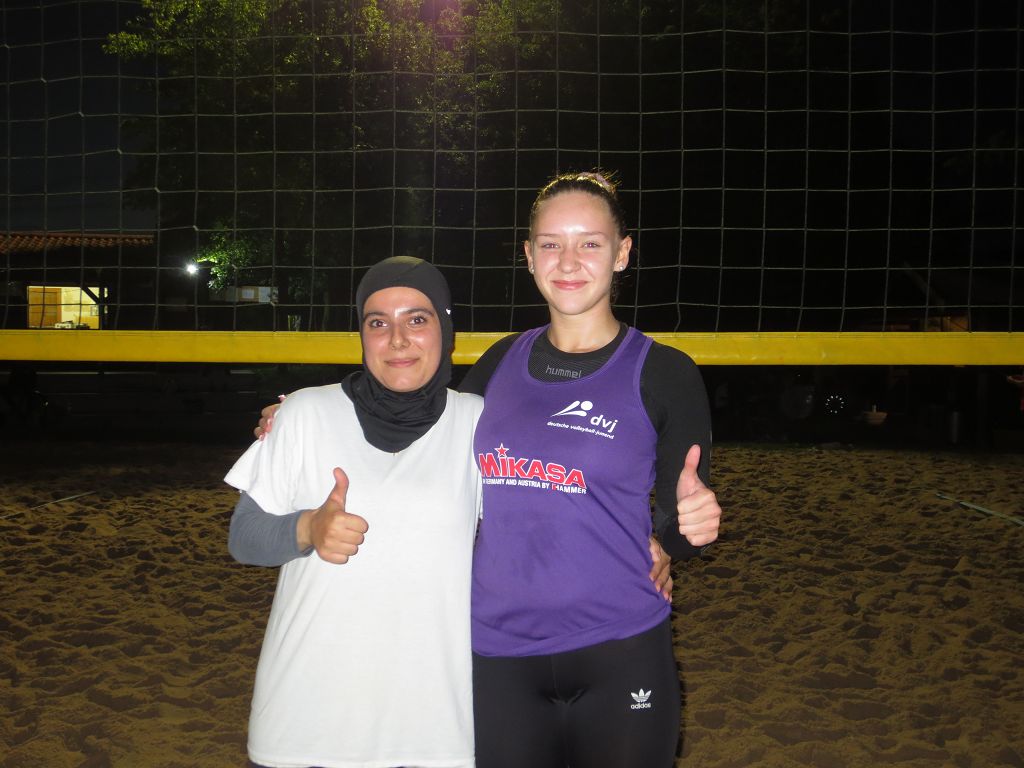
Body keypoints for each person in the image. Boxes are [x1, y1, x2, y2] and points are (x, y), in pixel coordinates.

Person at [253, 171, 722, 767]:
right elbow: (421, 424)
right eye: (550, 244)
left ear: (622, 253)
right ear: (528, 256)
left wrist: (683, 534)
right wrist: (303, 410)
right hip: (497, 654)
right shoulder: (500, 363)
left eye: (590, 243)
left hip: (620, 647)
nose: (568, 261)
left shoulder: (665, 373)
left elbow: (680, 523)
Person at [225, 256, 483, 768]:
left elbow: (550, 516)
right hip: (306, 721)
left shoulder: (479, 422)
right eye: (378, 323)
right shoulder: (305, 412)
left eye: (417, 319)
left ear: (445, 328)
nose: (398, 339)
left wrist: (641, 543)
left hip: (433, 726)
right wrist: (307, 527)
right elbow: (244, 538)